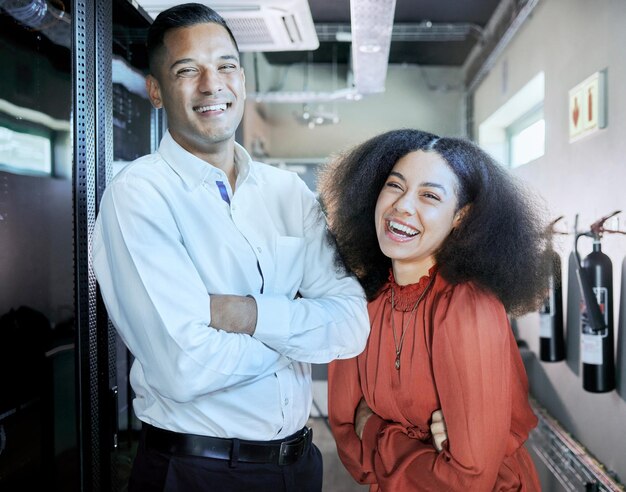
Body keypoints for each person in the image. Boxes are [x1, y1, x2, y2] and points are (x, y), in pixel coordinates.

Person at [92, 4, 370, 491]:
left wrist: (246, 315)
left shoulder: (288, 193)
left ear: (241, 78)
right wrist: (296, 335)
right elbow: (186, 366)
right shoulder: (139, 195)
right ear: (156, 91)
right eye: (186, 70)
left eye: (225, 66)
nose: (211, 84)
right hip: (197, 471)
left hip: (299, 467)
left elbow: (350, 326)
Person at [318, 128, 550, 491]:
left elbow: (466, 481)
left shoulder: (468, 307)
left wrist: (377, 430)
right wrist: (425, 450)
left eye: (429, 195)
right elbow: (352, 451)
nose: (403, 206)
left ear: (460, 216)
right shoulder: (361, 301)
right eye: (395, 186)